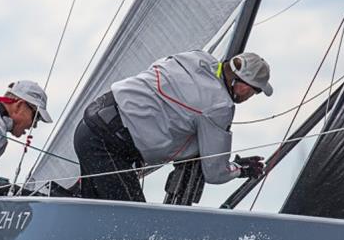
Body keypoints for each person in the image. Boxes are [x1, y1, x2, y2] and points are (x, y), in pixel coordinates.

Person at [73, 51, 272, 202]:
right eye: (255, 92)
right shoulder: (220, 105)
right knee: (133, 227)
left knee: (95, 215)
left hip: (91, 125)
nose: (250, 96)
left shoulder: (198, 58)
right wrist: (240, 169)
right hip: (106, 145)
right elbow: (215, 172)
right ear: (244, 86)